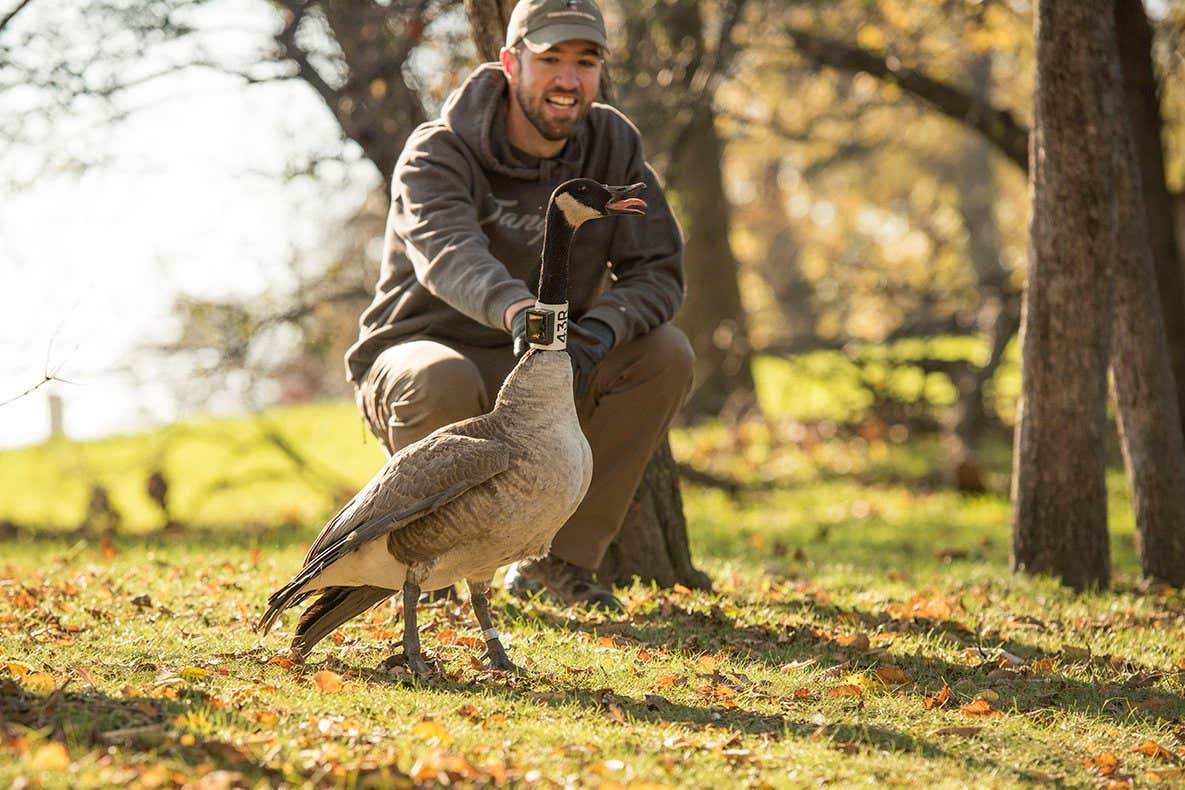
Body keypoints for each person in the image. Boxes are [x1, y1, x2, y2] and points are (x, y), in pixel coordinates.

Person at [343, 0, 693, 612]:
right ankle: (427, 579)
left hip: (549, 368)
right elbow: (449, 254)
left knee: (665, 353)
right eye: (549, 59)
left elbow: (657, 272)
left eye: (585, 62)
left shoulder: (612, 144)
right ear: (509, 62)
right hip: (431, 356)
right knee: (438, 379)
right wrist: (521, 315)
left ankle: (559, 563)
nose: (567, 79)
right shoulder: (439, 151)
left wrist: (598, 334)